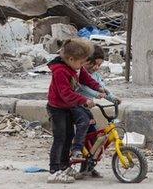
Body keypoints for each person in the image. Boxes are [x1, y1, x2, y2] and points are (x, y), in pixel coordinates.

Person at [46, 38, 99, 183]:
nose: (82, 66)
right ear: (70, 59)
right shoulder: (60, 72)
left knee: (69, 136)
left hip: (67, 107)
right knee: (60, 138)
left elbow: (86, 79)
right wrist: (84, 100)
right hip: (57, 109)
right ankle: (54, 170)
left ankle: (64, 166)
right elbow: (66, 94)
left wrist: (99, 88)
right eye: (81, 62)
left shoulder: (75, 67)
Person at [69, 45, 120, 177]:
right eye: (94, 64)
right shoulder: (80, 74)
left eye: (99, 65)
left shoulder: (95, 76)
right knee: (85, 130)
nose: (96, 68)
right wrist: (97, 95)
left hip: (88, 108)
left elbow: (103, 89)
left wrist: (113, 98)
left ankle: (89, 166)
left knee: (93, 138)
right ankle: (77, 153)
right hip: (78, 106)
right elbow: (84, 89)